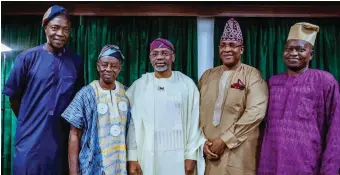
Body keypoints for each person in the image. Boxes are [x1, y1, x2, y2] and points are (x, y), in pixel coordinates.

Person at [2, 5, 83, 175]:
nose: (60, 34)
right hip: (29, 143)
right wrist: (29, 119)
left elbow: (76, 101)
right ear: (45, 27)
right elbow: (13, 98)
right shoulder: (27, 58)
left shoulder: (75, 62)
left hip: (59, 143)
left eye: (65, 29)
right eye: (55, 28)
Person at [258, 22, 340, 174]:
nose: (293, 53)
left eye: (300, 49)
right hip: (271, 164)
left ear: (311, 54)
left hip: (307, 165)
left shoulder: (324, 81)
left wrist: (330, 170)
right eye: (289, 49)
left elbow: (336, 129)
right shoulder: (273, 82)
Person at [198, 18, 269, 175]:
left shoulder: (252, 75)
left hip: (238, 153)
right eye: (223, 45)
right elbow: (195, 112)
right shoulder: (207, 76)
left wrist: (224, 140)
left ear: (242, 49)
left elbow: (255, 112)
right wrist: (201, 142)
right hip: (208, 153)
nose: (227, 49)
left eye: (232, 45)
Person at [126, 38, 206, 175]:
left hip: (179, 157)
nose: (160, 57)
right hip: (147, 156)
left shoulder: (187, 84)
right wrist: (132, 157)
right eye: (155, 54)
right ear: (150, 58)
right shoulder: (139, 86)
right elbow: (132, 124)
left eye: (164, 53)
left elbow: (195, 123)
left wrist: (191, 156)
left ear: (173, 57)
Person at [61, 45, 130, 175]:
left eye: (114, 66)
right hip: (92, 167)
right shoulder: (86, 94)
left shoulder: (127, 94)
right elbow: (74, 134)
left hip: (121, 166)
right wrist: (73, 172)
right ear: (98, 66)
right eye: (104, 65)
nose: (108, 69)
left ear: (120, 68)